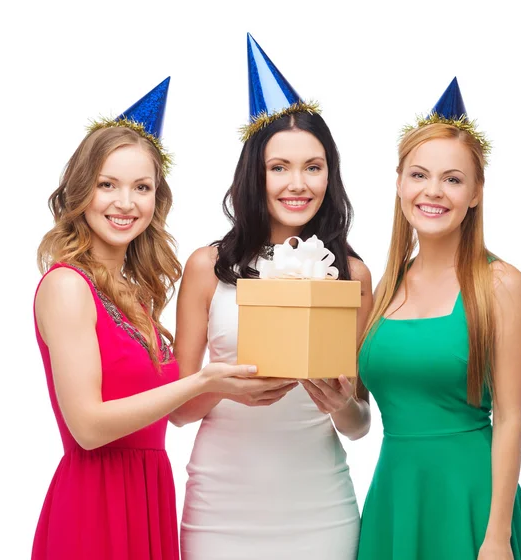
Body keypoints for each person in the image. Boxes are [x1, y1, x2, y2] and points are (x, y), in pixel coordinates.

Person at [32, 77, 261, 560]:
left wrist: (230, 380)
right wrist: (200, 382)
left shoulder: (136, 296)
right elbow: (88, 427)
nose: (125, 202)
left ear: (157, 199)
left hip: (148, 495)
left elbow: (171, 414)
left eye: (142, 187)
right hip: (94, 508)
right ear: (80, 193)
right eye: (107, 185)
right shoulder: (67, 286)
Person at [171, 34, 373, 560]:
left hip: (320, 509)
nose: (297, 183)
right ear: (253, 175)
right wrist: (228, 383)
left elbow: (360, 424)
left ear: (331, 173)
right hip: (220, 508)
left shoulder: (351, 274)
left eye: (314, 166)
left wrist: (339, 403)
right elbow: (178, 411)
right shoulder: (206, 268)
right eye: (278, 167)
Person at [356, 77, 521, 560]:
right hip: (395, 498)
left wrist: (496, 537)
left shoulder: (500, 283)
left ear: (476, 192)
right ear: (398, 182)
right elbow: (356, 411)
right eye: (419, 175)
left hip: (473, 504)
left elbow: (510, 420)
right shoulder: (385, 286)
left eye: (453, 179)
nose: (432, 191)